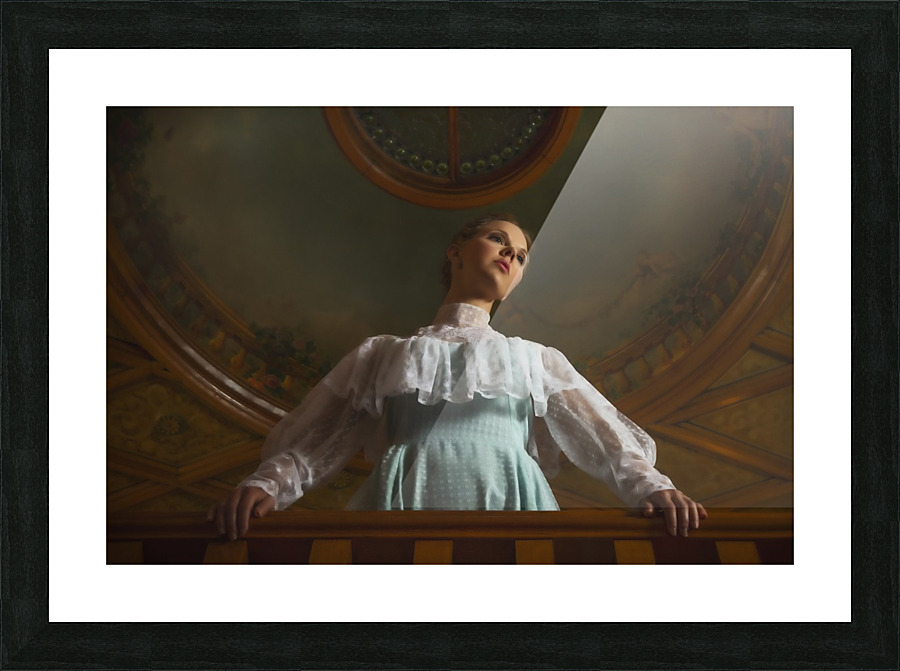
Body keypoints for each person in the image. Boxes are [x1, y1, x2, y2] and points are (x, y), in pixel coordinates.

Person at [208, 214, 707, 540]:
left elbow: (608, 441)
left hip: (512, 500)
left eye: (522, 255)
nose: (511, 254)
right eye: (497, 239)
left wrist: (654, 489)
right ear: (456, 251)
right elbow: (318, 440)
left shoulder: (536, 359)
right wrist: (267, 484)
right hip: (404, 500)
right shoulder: (382, 354)